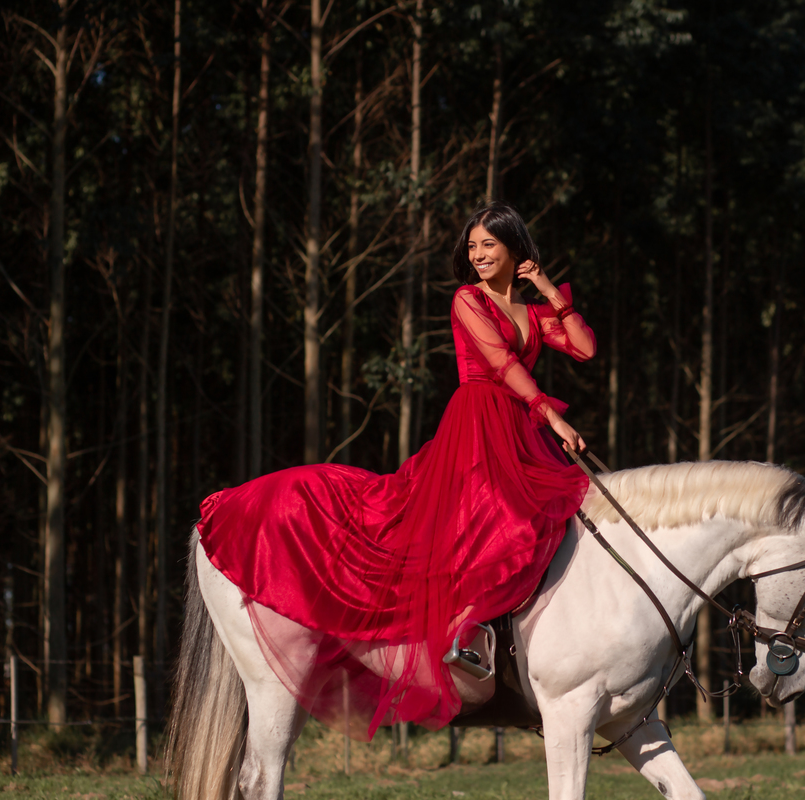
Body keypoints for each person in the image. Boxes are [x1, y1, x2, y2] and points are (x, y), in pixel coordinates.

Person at [195, 202, 597, 738]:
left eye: (489, 245)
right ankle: (460, 638)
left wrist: (547, 288)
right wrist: (549, 413)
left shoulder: (529, 308)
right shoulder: (467, 300)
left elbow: (584, 348)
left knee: (541, 525)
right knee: (486, 522)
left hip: (519, 431)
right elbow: (500, 365)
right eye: (472, 246)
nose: (477, 255)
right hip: (480, 422)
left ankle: (528, 640)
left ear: (515, 249)